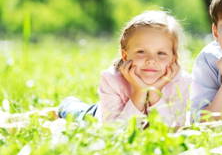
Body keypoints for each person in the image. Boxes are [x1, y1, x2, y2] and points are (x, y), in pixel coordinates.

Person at [58, 10, 191, 127]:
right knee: (77, 112)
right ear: (125, 54)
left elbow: (172, 129)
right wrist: (139, 92)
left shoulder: (181, 82)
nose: (151, 60)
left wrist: (155, 92)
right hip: (98, 115)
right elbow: (115, 131)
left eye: (161, 53)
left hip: (117, 111)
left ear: (173, 58)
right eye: (141, 52)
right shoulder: (111, 79)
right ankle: (68, 103)